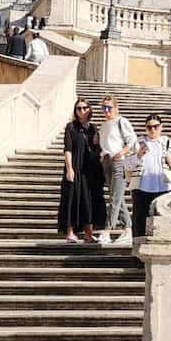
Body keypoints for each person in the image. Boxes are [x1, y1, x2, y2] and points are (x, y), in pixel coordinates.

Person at [57, 99, 107, 245]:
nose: (82, 110)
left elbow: (98, 148)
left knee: (88, 200)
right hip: (75, 167)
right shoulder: (71, 127)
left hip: (91, 170)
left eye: (85, 108)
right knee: (72, 199)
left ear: (89, 110)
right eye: (78, 108)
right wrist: (69, 169)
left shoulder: (93, 128)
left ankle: (88, 234)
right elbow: (68, 149)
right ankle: (70, 233)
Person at [97, 96, 137, 246]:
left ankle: (108, 230)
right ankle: (128, 230)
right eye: (104, 108)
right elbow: (104, 144)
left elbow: (132, 140)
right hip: (107, 163)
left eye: (109, 108)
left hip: (119, 162)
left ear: (116, 108)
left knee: (114, 199)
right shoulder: (104, 125)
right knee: (117, 199)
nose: (107, 111)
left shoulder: (122, 121)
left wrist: (122, 152)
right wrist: (103, 155)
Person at [132, 114, 171, 236]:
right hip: (142, 188)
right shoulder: (138, 144)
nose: (152, 129)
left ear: (161, 127)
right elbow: (127, 165)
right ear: (146, 128)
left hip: (164, 188)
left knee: (164, 221)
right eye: (149, 127)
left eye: (155, 126)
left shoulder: (169, 143)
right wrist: (138, 156)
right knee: (140, 222)